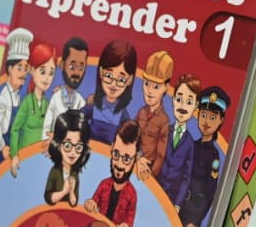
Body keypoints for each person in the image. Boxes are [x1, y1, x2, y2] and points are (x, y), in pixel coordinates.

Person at [179, 85, 228, 227]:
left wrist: (195, 222)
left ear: (221, 120)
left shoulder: (214, 157)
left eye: (213, 117)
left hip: (193, 212)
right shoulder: (190, 145)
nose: (206, 121)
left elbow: (209, 193)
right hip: (178, 204)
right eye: (204, 115)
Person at [0, 27, 33, 179]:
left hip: (10, 145)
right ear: (10, 69)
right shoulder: (4, 97)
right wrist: (2, 146)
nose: (23, 73)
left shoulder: (18, 96)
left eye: (25, 68)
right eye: (19, 68)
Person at [84, 119, 139, 227]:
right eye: (116, 154)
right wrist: (91, 203)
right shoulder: (104, 184)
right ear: (112, 148)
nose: (119, 164)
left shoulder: (132, 194)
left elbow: (129, 222)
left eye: (126, 159)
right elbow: (93, 203)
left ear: (135, 159)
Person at [9, 42, 57, 177]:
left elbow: (52, 133)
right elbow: (15, 130)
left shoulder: (48, 105)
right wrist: (14, 155)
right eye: (43, 71)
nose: (47, 78)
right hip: (24, 160)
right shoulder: (27, 102)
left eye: (51, 73)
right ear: (31, 69)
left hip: (40, 163)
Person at [158, 73, 200, 208]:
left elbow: (186, 177)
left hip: (171, 199)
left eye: (189, 102)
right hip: (154, 189)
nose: (182, 106)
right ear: (173, 100)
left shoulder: (190, 143)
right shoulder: (164, 130)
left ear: (195, 106)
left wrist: (177, 204)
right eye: (179, 99)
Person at [83, 39, 137, 146]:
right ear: (101, 72)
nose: (113, 84)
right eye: (108, 76)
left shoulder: (122, 115)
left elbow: (128, 139)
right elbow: (77, 117)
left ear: (129, 80)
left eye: (121, 79)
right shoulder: (94, 105)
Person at [135, 50, 173, 181]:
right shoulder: (141, 112)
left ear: (166, 87)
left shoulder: (164, 121)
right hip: (133, 164)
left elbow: (161, 156)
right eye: (147, 84)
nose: (149, 91)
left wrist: (150, 177)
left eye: (156, 87)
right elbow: (132, 139)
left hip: (148, 174)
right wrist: (137, 158)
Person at [42, 37, 89, 140]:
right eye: (72, 67)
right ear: (62, 65)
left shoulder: (81, 102)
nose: (76, 73)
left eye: (81, 68)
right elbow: (46, 127)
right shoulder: (56, 98)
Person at [42, 109, 91, 207]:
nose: (73, 152)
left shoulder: (75, 174)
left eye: (78, 147)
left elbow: (74, 203)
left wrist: (71, 191)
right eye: (68, 146)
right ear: (58, 144)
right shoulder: (55, 171)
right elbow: (48, 198)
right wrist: (63, 192)